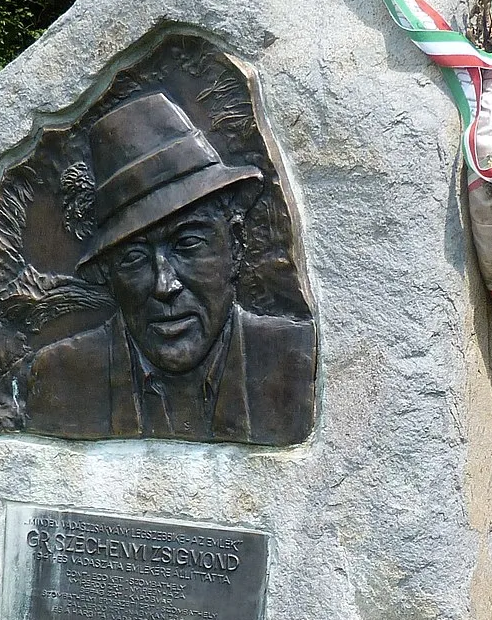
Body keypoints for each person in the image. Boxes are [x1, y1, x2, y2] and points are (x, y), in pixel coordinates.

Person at [18, 92, 315, 444]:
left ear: (236, 245)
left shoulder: (295, 360)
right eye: (134, 258)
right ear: (109, 276)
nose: (165, 284)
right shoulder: (61, 378)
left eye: (187, 244)